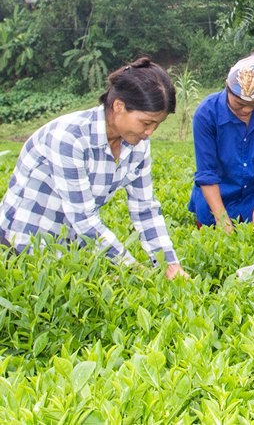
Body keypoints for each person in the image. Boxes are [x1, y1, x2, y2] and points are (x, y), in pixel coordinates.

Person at [0, 58, 187, 278]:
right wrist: (132, 268)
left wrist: (169, 264)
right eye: (146, 123)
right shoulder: (69, 138)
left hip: (68, 251)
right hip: (20, 248)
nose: (150, 132)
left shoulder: (137, 145)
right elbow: (83, 217)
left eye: (157, 124)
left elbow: (144, 208)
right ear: (119, 106)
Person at [188, 54, 254, 231]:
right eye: (239, 103)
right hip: (215, 204)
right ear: (227, 87)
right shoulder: (206, 114)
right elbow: (206, 172)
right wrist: (221, 219)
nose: (246, 110)